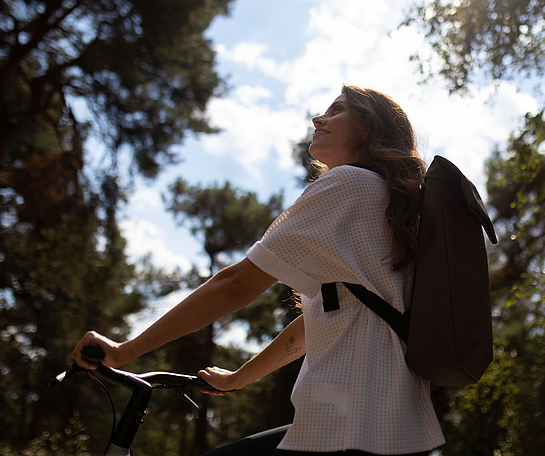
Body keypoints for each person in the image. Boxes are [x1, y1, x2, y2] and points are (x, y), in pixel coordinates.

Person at [72, 85, 445, 455]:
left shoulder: (349, 183)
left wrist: (124, 351)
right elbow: (314, 326)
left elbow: (236, 284)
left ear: (369, 127)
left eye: (337, 110)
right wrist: (238, 379)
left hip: (353, 421)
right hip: (392, 425)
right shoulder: (392, 210)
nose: (319, 118)